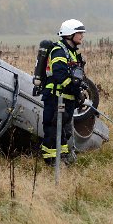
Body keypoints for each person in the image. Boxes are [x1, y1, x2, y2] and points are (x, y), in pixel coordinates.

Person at [41, 19, 87, 165]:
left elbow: (76, 77)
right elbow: (61, 77)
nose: (82, 36)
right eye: (79, 33)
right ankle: (52, 162)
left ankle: (63, 158)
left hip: (66, 99)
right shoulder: (59, 51)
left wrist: (80, 91)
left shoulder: (72, 53)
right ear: (69, 34)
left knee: (64, 131)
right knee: (53, 129)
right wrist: (75, 91)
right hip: (56, 98)